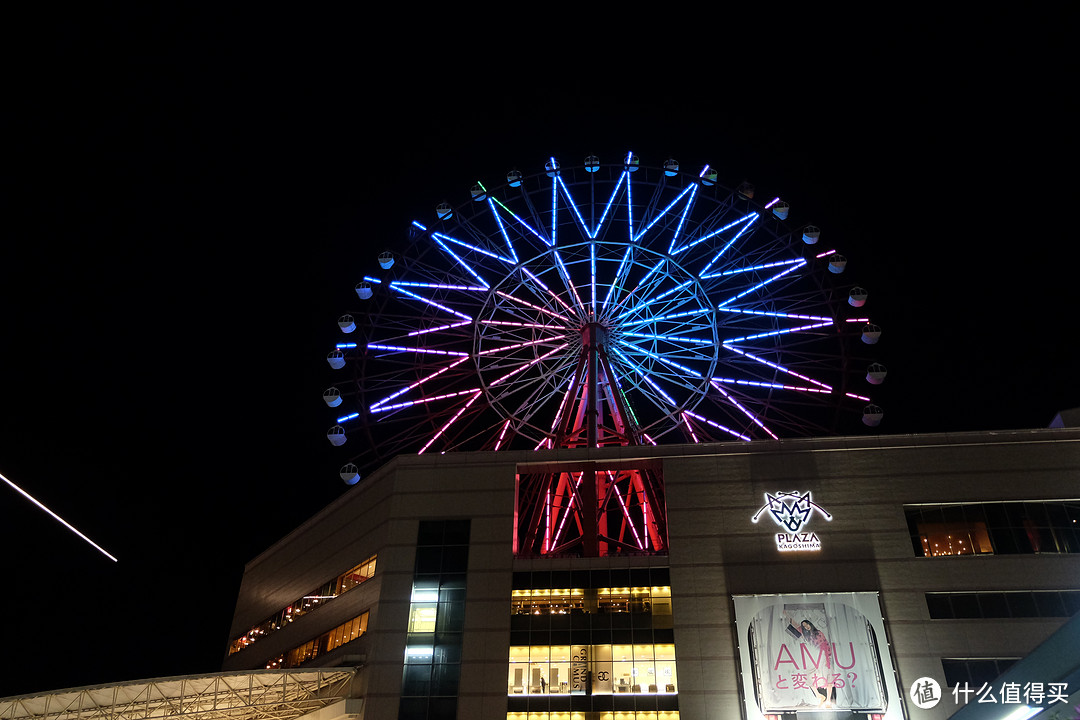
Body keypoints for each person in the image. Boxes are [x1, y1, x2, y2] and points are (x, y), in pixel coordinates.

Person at [784, 612, 835, 708]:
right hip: (812, 657)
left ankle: (828, 700)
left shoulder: (819, 632)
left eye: (807, 624)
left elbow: (825, 643)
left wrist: (828, 655)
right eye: (804, 626)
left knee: (828, 675)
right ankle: (819, 696)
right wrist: (786, 615)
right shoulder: (804, 635)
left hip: (822, 656)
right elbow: (795, 625)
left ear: (810, 624)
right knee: (808, 676)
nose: (806, 626)